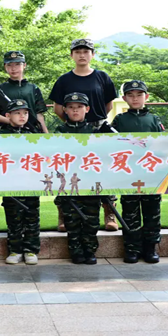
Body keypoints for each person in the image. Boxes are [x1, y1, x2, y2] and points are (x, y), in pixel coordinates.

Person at [48, 38, 119, 232]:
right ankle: (64, 213)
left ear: (92, 55)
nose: (82, 55)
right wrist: (73, 124)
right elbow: (57, 108)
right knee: (67, 171)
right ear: (71, 55)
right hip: (71, 131)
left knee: (102, 170)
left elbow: (108, 105)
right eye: (78, 51)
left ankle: (109, 211)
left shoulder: (102, 77)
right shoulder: (64, 80)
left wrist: (94, 121)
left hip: (98, 130)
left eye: (86, 51)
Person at [111, 80, 165, 264]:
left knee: (152, 212)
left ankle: (150, 248)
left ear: (146, 97)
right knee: (130, 213)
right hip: (129, 174)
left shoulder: (154, 119)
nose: (135, 99)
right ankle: (131, 249)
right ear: (124, 98)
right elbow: (111, 145)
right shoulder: (119, 120)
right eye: (131, 95)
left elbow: (163, 145)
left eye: (139, 95)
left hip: (151, 174)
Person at [54, 92, 111, 265]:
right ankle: (76, 251)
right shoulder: (59, 132)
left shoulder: (95, 132)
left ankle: (90, 250)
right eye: (71, 107)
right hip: (68, 184)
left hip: (90, 183)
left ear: (87, 109)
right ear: (65, 110)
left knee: (91, 220)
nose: (75, 110)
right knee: (71, 220)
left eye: (79, 107)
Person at [0, 99, 41, 265]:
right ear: (8, 115)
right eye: (17, 113)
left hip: (31, 182)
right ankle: (15, 250)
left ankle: (31, 250)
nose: (22, 116)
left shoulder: (33, 134)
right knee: (13, 217)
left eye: (25, 113)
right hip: (10, 183)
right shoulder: (0, 135)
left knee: (32, 216)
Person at [0, 51, 49, 133]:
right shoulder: (0, 89)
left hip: (32, 133)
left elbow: (39, 114)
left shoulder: (33, 88)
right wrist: (9, 121)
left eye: (17, 64)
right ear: (5, 67)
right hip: (7, 133)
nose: (13, 68)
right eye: (9, 65)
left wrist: (46, 134)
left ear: (24, 65)